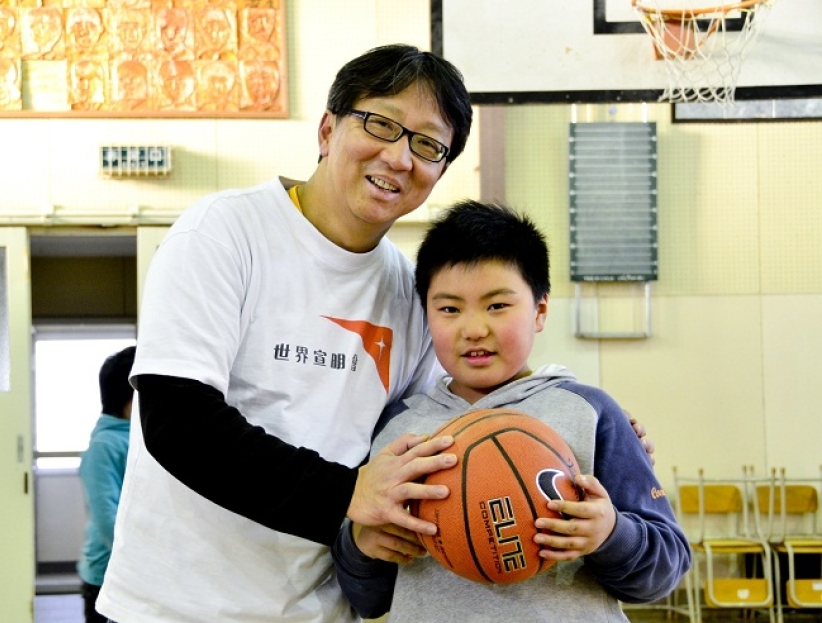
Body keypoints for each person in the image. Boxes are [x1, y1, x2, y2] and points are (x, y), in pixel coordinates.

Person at [96, 44, 651, 623]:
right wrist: (346, 494)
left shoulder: (409, 293)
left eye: (427, 144)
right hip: (172, 608)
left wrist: (589, 430)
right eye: (382, 124)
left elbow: (462, 416)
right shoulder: (224, 232)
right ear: (328, 128)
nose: (399, 155)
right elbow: (177, 422)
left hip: (322, 612)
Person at [332, 200, 690, 621]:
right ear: (426, 317)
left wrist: (611, 534)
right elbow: (367, 600)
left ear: (539, 310)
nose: (474, 328)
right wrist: (360, 545)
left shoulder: (590, 412)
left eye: (497, 305)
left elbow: (665, 571)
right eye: (449, 308)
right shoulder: (398, 429)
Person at [77, 346, 136, 623]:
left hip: (132, 570)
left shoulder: (138, 438)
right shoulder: (105, 446)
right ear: (131, 397)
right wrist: (143, 564)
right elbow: (106, 519)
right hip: (107, 575)